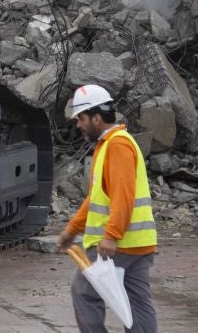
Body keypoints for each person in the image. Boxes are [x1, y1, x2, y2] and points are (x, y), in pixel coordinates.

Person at [56, 84, 158, 333]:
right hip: (136, 242)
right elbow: (96, 198)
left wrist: (111, 235)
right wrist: (72, 230)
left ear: (96, 118)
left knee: (84, 292)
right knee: (136, 306)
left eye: (81, 118)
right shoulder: (111, 144)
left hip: (119, 245)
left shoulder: (116, 145)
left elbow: (123, 194)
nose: (78, 125)